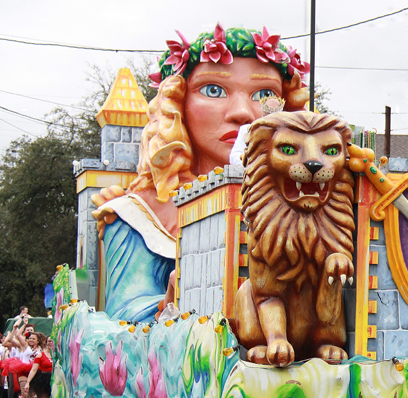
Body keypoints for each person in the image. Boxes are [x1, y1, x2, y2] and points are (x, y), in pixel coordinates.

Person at [90, 24, 311, 323]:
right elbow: (124, 321)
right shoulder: (139, 215)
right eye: (213, 90)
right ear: (177, 103)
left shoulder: (309, 203)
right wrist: (174, 300)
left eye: (264, 94)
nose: (242, 113)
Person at [23, 332, 53, 398]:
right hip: (43, 382)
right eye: (49, 341)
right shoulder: (40, 355)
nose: (50, 343)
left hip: (56, 383)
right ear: (46, 342)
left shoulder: (59, 355)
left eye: (52, 341)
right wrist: (27, 382)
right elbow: (33, 370)